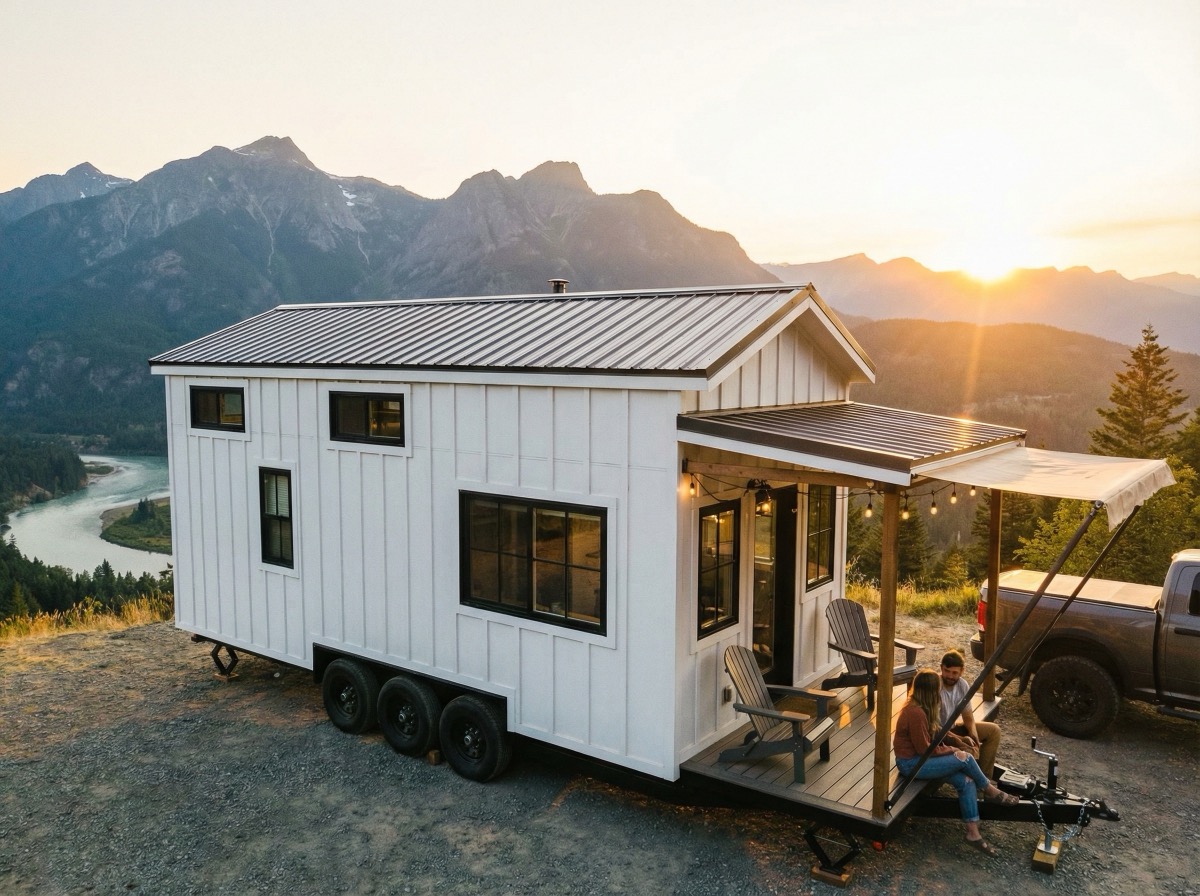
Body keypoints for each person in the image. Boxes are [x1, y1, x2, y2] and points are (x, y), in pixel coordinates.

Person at [893, 669, 1017, 856]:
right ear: (930, 690)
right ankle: (989, 790)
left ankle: (973, 834)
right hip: (911, 764)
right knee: (965, 758)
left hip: (922, 760)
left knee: (966, 781)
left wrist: (958, 741)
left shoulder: (923, 707)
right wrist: (954, 751)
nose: (940, 691)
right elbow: (925, 749)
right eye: (938, 688)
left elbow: (937, 730)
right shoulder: (915, 712)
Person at [939, 649, 1001, 778]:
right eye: (947, 671)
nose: (950, 676)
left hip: (953, 728)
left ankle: (984, 779)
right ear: (941, 668)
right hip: (939, 736)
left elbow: (967, 715)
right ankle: (975, 779)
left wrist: (974, 736)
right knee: (968, 748)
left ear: (962, 671)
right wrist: (961, 740)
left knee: (993, 731)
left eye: (955, 672)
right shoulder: (935, 686)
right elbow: (933, 726)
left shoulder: (962, 685)